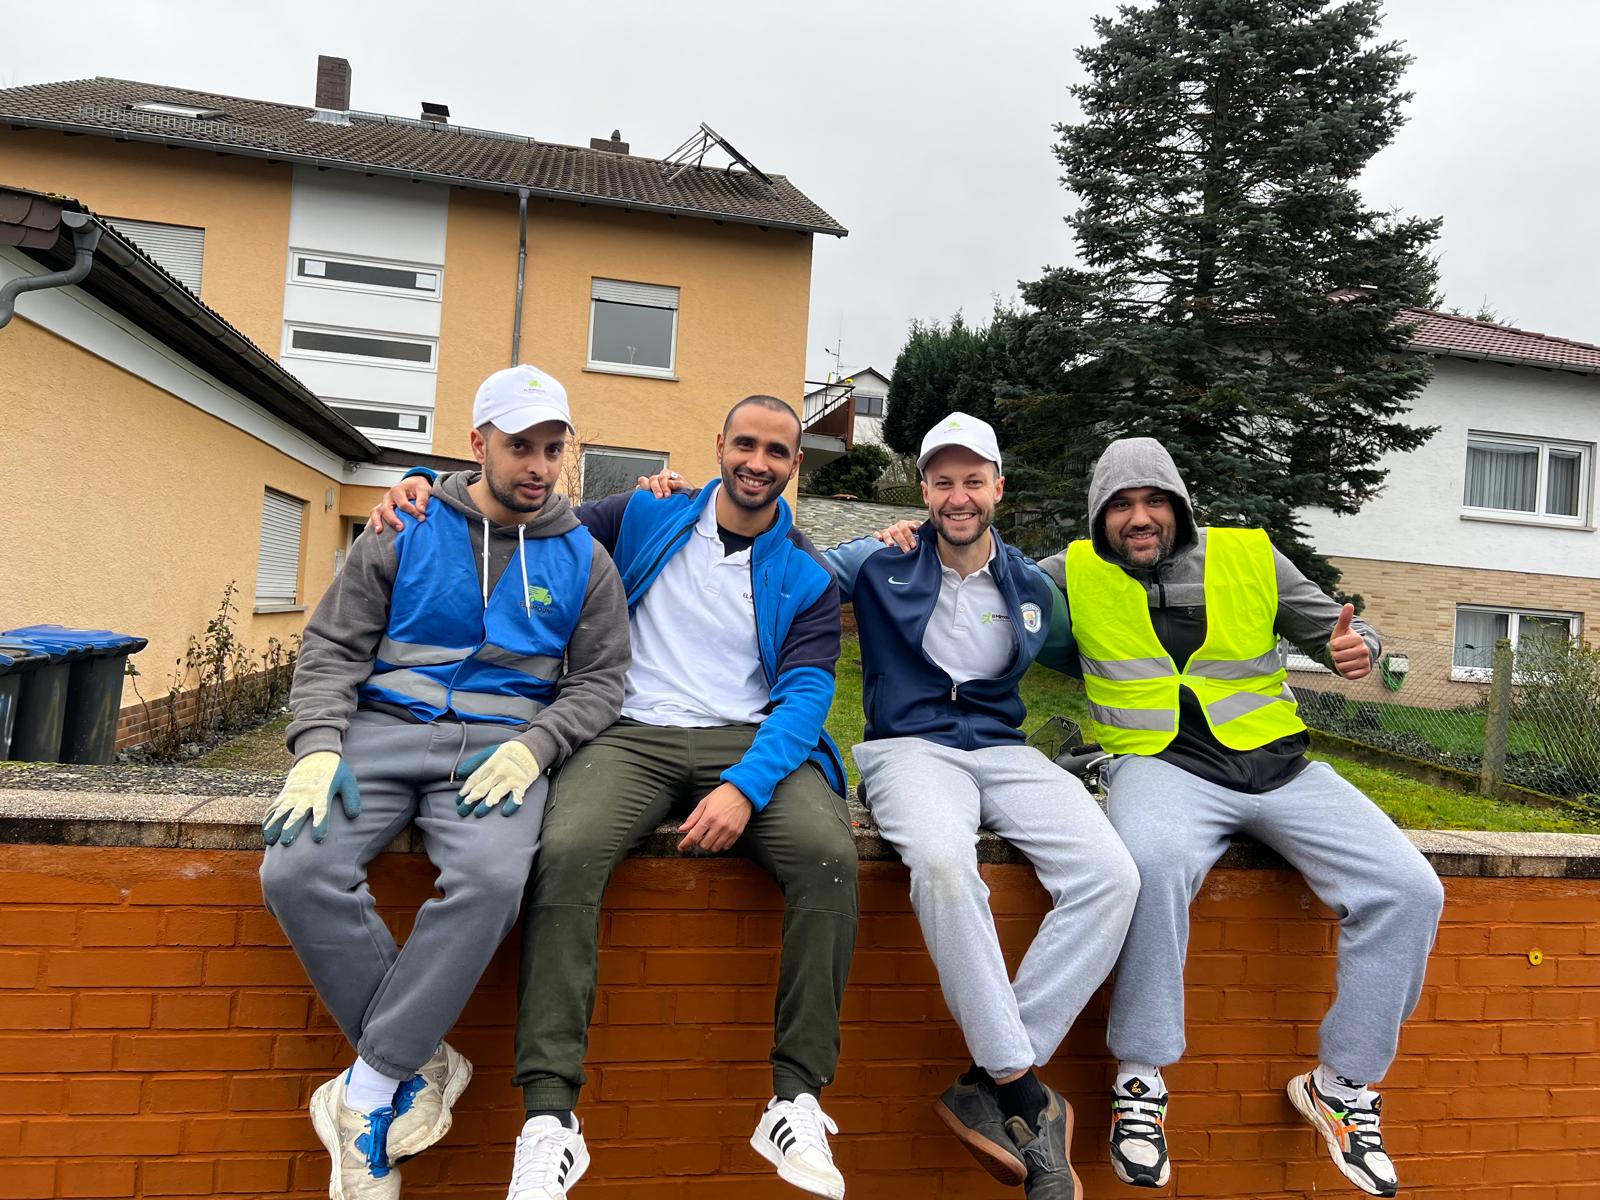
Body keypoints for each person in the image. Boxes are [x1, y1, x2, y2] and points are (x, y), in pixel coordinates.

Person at [370, 396, 858, 1200]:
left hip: (748, 740)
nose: (758, 462)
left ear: (795, 464)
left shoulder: (806, 570)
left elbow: (807, 693)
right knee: (563, 853)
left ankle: (795, 1099)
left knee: (830, 857)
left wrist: (745, 788)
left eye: (777, 451)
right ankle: (550, 1119)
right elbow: (522, 506)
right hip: (629, 732)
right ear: (719, 444)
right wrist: (422, 482)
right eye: (745, 443)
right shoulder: (645, 512)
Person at [1036, 437, 1445, 1197]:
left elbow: (1340, 629)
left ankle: (1343, 1086)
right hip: (1161, 765)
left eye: (1154, 500)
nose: (1138, 517)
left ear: (1179, 506)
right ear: (1098, 517)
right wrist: (901, 544)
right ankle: (1140, 1078)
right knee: (1150, 866)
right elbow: (977, 577)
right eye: (1120, 505)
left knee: (1411, 888)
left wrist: (1359, 647)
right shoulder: (1071, 570)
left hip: (1279, 766)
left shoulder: (1251, 554)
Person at [260, 364, 629, 1199]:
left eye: (554, 449)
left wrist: (538, 746)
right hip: (379, 733)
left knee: (494, 880)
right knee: (294, 870)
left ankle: (366, 1091)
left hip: (499, 753)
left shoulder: (586, 559)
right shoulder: (405, 524)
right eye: (521, 446)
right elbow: (333, 645)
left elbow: (602, 681)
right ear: (478, 444)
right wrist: (317, 745)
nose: (539, 466)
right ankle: (414, 1061)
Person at [824, 413, 1139, 1200]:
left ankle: (989, 1079)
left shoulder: (1031, 585)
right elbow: (785, 565)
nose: (957, 497)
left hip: (1004, 751)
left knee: (1113, 875)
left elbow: (1100, 647)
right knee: (942, 864)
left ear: (999, 487)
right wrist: (682, 505)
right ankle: (1025, 1094)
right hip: (909, 749)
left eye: (973, 481)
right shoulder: (881, 558)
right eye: (942, 482)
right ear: (923, 489)